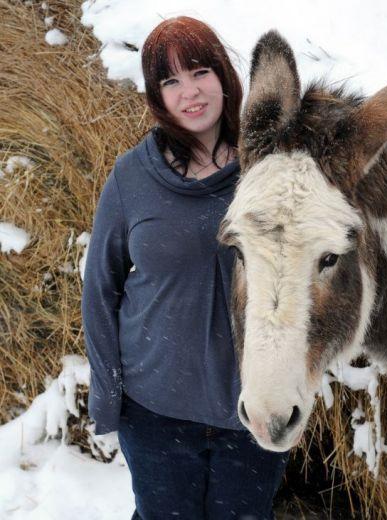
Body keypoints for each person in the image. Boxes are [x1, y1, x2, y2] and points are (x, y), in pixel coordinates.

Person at [81, 16, 289, 520]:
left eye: (199, 72)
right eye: (170, 81)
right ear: (156, 95)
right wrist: (109, 395)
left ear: (224, 75)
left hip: (252, 410)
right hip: (154, 411)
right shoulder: (132, 176)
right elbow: (100, 286)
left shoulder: (272, 169)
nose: (189, 93)